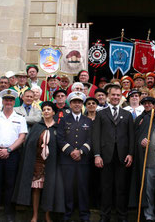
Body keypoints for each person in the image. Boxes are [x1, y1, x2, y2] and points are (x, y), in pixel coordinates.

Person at [13, 101, 62, 222]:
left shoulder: (57, 128)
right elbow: (30, 144)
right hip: (38, 162)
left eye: (48, 109)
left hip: (52, 163)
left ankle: (47, 215)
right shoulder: (37, 127)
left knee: (49, 189)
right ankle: (34, 215)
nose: (46, 111)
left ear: (53, 112)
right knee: (36, 189)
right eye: (44, 109)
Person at [92, 84, 134, 222]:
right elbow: (96, 136)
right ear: (108, 96)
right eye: (113, 95)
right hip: (105, 156)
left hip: (122, 157)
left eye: (118, 95)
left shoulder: (127, 114)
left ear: (121, 96)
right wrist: (97, 155)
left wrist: (130, 153)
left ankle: (122, 215)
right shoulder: (100, 114)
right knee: (106, 188)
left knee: (121, 188)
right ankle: (105, 215)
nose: (115, 97)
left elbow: (131, 136)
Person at [0, 89, 28, 222]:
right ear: (2, 101)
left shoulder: (20, 118)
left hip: (13, 154)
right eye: (6, 100)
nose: (8, 102)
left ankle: (10, 213)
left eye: (11, 100)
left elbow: (22, 137)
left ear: (14, 102)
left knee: (11, 184)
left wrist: (9, 150)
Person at [58, 92, 93, 222]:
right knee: (68, 187)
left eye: (79, 102)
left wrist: (81, 151)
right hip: (67, 160)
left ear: (82, 104)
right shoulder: (63, 120)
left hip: (83, 160)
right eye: (74, 102)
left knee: (83, 187)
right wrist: (71, 151)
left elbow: (91, 139)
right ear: (70, 104)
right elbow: (60, 139)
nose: (77, 104)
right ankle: (68, 213)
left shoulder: (88, 121)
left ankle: (84, 214)